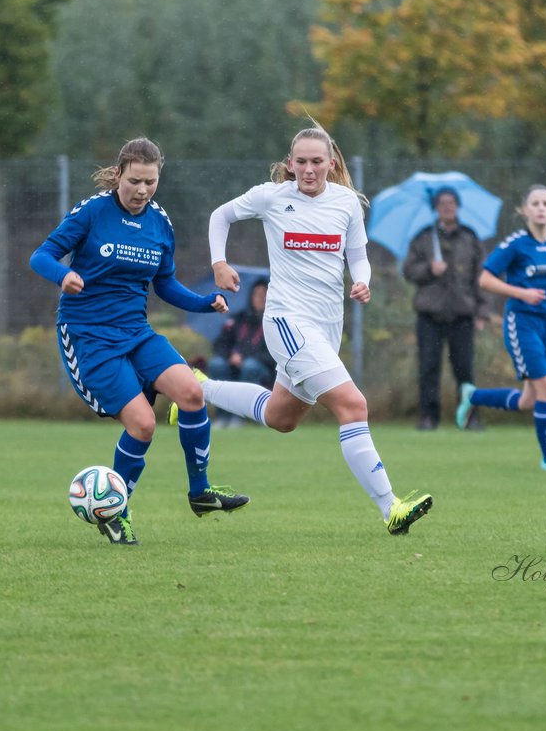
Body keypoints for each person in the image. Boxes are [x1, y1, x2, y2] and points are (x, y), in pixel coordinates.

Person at [171, 124, 434, 536]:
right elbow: (220, 216)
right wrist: (219, 263)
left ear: (331, 163)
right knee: (353, 405)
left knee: (281, 417)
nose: (309, 170)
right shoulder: (273, 197)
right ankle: (391, 508)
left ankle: (195, 388)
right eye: (302, 162)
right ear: (290, 164)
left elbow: (358, 256)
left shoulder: (346, 203)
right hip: (287, 322)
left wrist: (362, 279)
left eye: (317, 162)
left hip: (327, 327)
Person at [29, 138, 250, 547]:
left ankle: (200, 493)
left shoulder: (159, 221)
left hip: (135, 330)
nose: (143, 190)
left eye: (151, 182)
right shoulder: (93, 211)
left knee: (191, 393)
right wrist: (63, 276)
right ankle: (116, 512)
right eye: (135, 181)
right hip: (89, 335)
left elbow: (163, 283)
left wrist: (205, 302)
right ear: (118, 176)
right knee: (144, 424)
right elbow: (41, 256)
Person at [454, 185, 546, 471]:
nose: (540, 208)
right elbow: (485, 279)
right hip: (522, 322)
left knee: (529, 400)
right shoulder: (515, 244)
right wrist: (521, 293)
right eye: (534, 203)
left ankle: (472, 395)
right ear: (525, 211)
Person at [401, 187, 490, 431]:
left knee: (465, 369)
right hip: (429, 315)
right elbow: (409, 270)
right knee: (428, 368)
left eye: (451, 202)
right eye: (442, 203)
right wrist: (430, 269)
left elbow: (481, 276)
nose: (447, 207)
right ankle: (428, 417)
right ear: (435, 208)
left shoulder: (470, 238)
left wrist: (482, 310)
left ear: (458, 206)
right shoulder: (423, 238)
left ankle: (470, 417)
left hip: (462, 314)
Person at [206, 279, 277, 426]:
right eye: (257, 294)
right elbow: (221, 343)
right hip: (232, 365)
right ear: (251, 296)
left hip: (263, 369)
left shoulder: (275, 322)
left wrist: (244, 358)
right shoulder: (239, 319)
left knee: (250, 367)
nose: (260, 298)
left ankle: (243, 416)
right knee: (217, 364)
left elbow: (273, 354)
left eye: (264, 294)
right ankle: (223, 416)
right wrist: (230, 356)